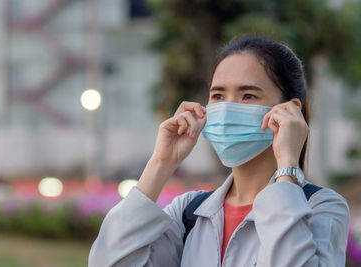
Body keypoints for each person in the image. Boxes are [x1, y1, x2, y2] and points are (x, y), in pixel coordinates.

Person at [88, 36, 350, 266]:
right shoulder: (189, 212)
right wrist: (160, 163)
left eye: (248, 96)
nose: (226, 109)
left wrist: (287, 167)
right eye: (218, 96)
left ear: (291, 111)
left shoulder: (321, 208)